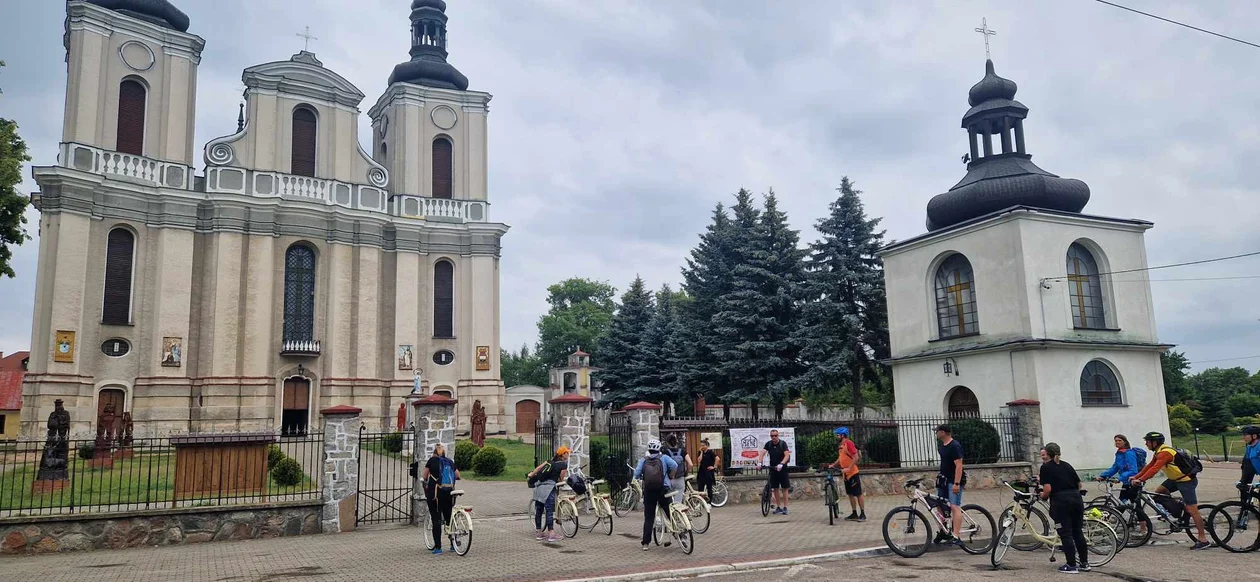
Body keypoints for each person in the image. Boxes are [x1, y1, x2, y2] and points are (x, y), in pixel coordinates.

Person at [1130, 431, 1211, 550]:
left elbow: (1155, 470)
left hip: (1186, 481)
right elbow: (1149, 466)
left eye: (1147, 441)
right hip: (1174, 480)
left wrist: (1141, 479)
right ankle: (1179, 508)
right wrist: (1136, 476)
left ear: (1154, 442)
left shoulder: (1165, 453)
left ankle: (1203, 539)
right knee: (1158, 494)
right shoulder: (1159, 452)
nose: (1146, 443)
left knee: (1193, 510)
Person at [1039, 442, 1090, 574]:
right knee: (1077, 531)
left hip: (1061, 503)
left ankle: (1071, 565)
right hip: (1076, 500)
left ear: (1048, 453)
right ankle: (1084, 563)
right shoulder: (1067, 465)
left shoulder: (1046, 468)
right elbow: (1079, 485)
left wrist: (1042, 496)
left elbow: (1048, 489)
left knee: (1065, 534)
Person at [634, 438, 679, 550]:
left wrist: (640, 478)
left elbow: (636, 474)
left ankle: (645, 543)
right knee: (670, 513)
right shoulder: (664, 458)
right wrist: (671, 476)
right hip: (663, 489)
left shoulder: (643, 460)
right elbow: (674, 466)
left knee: (649, 517)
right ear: (659, 448)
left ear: (648, 448)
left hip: (649, 491)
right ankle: (679, 535)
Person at [420, 443, 460, 555]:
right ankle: (453, 545)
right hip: (449, 494)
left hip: (435, 494)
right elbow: (458, 475)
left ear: (434, 453)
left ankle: (438, 548)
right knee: (449, 518)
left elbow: (424, 476)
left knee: (436, 518)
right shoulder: (450, 462)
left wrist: (425, 480)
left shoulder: (431, 461)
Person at [527, 446, 570, 543]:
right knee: (549, 510)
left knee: (539, 509)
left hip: (539, 487)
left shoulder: (550, 461)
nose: (568, 454)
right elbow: (561, 479)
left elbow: (538, 468)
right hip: (549, 488)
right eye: (567, 452)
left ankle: (539, 532)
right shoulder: (563, 464)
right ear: (563, 454)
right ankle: (551, 533)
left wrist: (531, 474)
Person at [935, 425, 965, 546]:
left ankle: (956, 535)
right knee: (940, 506)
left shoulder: (954, 446)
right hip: (944, 480)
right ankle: (943, 530)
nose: (936, 434)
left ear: (943, 432)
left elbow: (959, 465)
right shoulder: (942, 446)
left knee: (954, 506)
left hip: (954, 480)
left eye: (937, 431)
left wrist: (957, 483)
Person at [828, 427, 866, 521]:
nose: (836, 437)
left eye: (837, 435)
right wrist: (833, 464)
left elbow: (856, 457)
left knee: (858, 493)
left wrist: (849, 467)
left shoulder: (848, 443)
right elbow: (841, 458)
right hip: (846, 474)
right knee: (850, 494)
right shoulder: (841, 445)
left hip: (852, 473)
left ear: (843, 435)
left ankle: (862, 514)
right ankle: (854, 513)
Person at [1096, 434, 1141, 505]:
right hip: (1126, 483)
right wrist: (1103, 476)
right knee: (1122, 503)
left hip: (1133, 482)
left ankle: (1139, 516)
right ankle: (1118, 515)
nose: (1117, 442)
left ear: (1125, 442)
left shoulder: (1129, 453)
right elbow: (1115, 467)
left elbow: (1133, 470)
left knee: (1136, 506)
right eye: (1116, 441)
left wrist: (1120, 478)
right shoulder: (1119, 453)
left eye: (1119, 440)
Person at [758, 429, 792, 515]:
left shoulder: (782, 444)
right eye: (772, 436)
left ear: (778, 435)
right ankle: (778, 507)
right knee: (775, 488)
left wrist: (782, 463)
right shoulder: (769, 444)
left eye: (775, 435)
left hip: (782, 468)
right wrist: (759, 462)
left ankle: (785, 507)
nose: (774, 437)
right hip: (773, 468)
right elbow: (762, 453)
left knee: (784, 488)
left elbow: (787, 455)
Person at [663, 434, 693, 504]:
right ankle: (678, 513)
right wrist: (686, 472)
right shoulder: (682, 451)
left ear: (667, 443)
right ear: (676, 442)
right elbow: (691, 464)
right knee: (678, 502)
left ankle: (670, 514)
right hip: (680, 479)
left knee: (669, 502)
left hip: (669, 480)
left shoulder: (665, 453)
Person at [1240, 426, 1260, 500]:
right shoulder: (1249, 447)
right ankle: (1244, 504)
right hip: (1254, 468)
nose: (1243, 437)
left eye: (1245, 435)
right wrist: (1243, 481)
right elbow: (1247, 463)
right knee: (1244, 486)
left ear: (1254, 436)